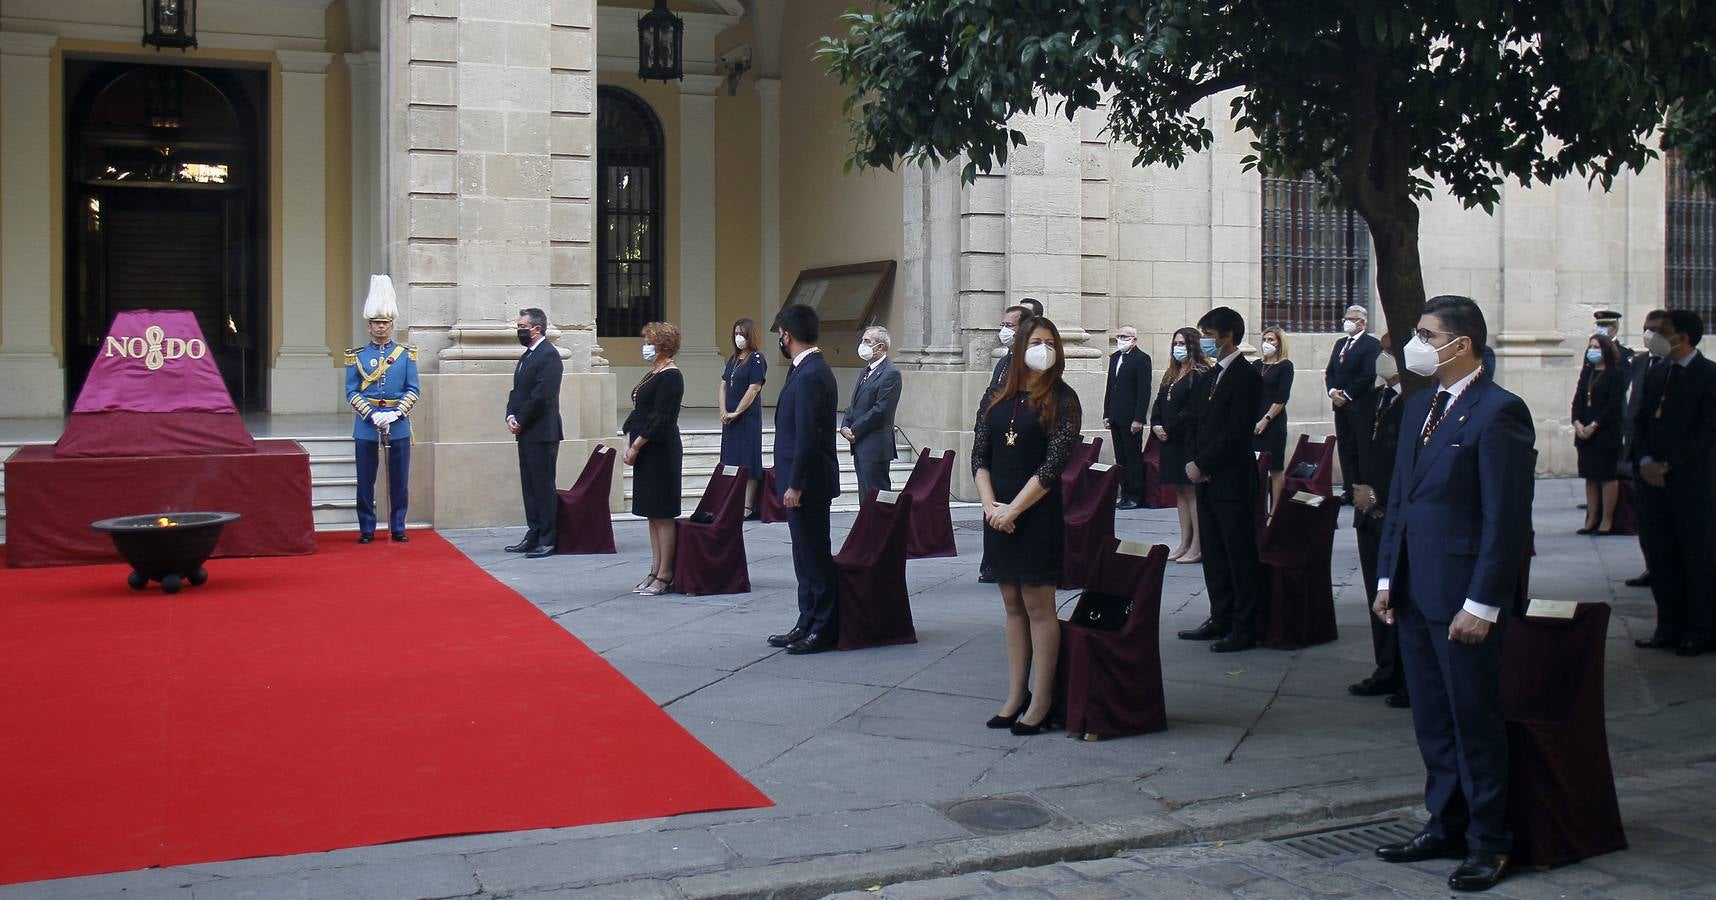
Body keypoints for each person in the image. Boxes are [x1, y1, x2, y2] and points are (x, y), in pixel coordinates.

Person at [1371, 295, 1535, 893]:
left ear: (1459, 344)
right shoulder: (1421, 407)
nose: (1415, 344)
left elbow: (1506, 519)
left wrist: (1483, 603)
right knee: (1433, 720)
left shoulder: (1500, 412)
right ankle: (1446, 821)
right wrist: (1388, 577)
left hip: (1464, 597)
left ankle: (1490, 840)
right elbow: (1403, 499)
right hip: (1415, 589)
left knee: (1475, 721)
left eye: (1424, 333)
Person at [974, 316, 1081, 736]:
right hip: (996, 513)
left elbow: (1053, 465)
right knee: (1012, 606)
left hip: (1034, 513)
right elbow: (979, 454)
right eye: (1036, 341)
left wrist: (1014, 510)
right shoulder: (998, 395)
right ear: (1019, 347)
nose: (1044, 348)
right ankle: (1015, 693)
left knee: (1039, 606)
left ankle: (1042, 698)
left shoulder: (1063, 398)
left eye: (1050, 342)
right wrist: (990, 506)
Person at [1631, 309, 1716, 658]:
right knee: (1661, 556)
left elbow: (1707, 432)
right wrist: (1647, 461)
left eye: (1662, 331)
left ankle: (1700, 629)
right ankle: (1668, 626)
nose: (1654, 337)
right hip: (1653, 483)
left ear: (1681, 337)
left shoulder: (1708, 375)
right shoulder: (1656, 373)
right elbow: (1640, 422)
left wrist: (1670, 464)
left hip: (1691, 483)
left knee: (1695, 558)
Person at [1178, 307, 1264, 652]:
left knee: (1237, 553)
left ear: (1227, 335)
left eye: (1209, 335)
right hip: (1208, 479)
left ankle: (1245, 626)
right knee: (1213, 551)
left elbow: (1235, 432)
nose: (1205, 342)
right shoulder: (1213, 375)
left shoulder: (1246, 376)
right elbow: (1198, 416)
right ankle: (1220, 615)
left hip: (1231, 479)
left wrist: (1204, 463)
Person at [765, 304, 842, 655]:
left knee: (814, 555)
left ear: (787, 335)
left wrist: (795, 484)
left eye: (780, 334)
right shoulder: (805, 369)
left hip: (808, 483)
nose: (780, 339)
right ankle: (806, 619)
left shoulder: (811, 373)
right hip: (802, 479)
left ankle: (822, 626)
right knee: (802, 555)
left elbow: (808, 436)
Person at [1348, 342, 1408, 709]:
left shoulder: (1415, 402)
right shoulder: (1372, 399)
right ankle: (1386, 668)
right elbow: (1353, 450)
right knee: (1377, 593)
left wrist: (1381, 497)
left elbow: (1408, 460)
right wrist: (1359, 493)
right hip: (1366, 510)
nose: (1383, 356)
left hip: (1392, 510)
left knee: (1401, 595)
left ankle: (1408, 674)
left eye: (1390, 349)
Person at [345, 275, 419, 545]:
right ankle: (366, 527)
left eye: (385, 323)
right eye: (376, 323)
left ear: (391, 325)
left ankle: (398, 525)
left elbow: (413, 390)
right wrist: (372, 413)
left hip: (397, 422)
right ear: (369, 326)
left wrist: (395, 413)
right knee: (365, 480)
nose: (381, 328)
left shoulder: (405, 354)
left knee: (399, 479)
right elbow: (351, 391)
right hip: (366, 423)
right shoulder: (357, 356)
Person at [623, 322, 685, 596]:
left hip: (661, 450)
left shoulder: (672, 376)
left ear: (662, 345)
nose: (644, 346)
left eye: (648, 340)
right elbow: (638, 410)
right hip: (645, 450)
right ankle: (654, 567)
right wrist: (627, 439)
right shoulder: (653, 373)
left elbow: (660, 417)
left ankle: (666, 573)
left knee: (663, 513)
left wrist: (636, 445)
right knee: (651, 513)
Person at [505, 307, 564, 558]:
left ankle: (548, 538)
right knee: (529, 486)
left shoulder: (549, 355)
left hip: (542, 432)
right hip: (526, 431)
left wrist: (521, 419)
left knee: (542, 486)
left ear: (536, 328)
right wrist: (510, 415)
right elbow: (517, 392)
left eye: (522, 326)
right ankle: (534, 532)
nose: (519, 330)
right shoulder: (527, 356)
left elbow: (543, 395)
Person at [1151, 327, 1208, 563]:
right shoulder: (1172, 373)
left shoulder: (1201, 373)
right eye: (1176, 343)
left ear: (1193, 345)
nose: (1178, 348)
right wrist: (1155, 425)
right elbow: (1158, 403)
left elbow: (1194, 409)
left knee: (1192, 490)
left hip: (1187, 440)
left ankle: (1198, 545)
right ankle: (1184, 542)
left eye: (1183, 343)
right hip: (1168, 441)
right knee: (1180, 491)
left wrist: (1171, 429)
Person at [1623, 310, 1670, 589]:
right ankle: (1650, 565)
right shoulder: (1639, 363)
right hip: (1638, 452)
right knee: (1646, 520)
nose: (1649, 334)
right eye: (1645, 328)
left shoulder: (1676, 367)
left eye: (1655, 329)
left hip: (1665, 460)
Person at [1326, 305, 1381, 504]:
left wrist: (1347, 395)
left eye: (1351, 319)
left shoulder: (1371, 344)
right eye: (1345, 318)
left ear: (1362, 322)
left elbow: (1368, 374)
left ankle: (1361, 488)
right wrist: (1333, 392)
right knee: (1346, 447)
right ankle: (1349, 489)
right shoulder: (1341, 343)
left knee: (1361, 447)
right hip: (1339, 406)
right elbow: (1331, 371)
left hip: (1359, 405)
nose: (1346, 322)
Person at [842, 325, 902, 500]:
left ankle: (880, 528)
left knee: (876, 496)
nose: (862, 344)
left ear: (880, 346)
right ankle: (867, 526)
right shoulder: (866, 370)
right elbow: (855, 403)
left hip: (875, 445)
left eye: (867, 341)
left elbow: (881, 409)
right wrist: (845, 424)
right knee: (865, 496)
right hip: (861, 444)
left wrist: (855, 429)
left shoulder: (891, 373)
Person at [1573, 333, 1625, 535]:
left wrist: (1594, 425)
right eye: (1590, 347)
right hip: (1584, 433)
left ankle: (1606, 520)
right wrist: (1577, 423)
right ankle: (1591, 518)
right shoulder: (1587, 372)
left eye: (1597, 347)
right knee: (1590, 476)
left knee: (1606, 475)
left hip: (1605, 433)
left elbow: (1613, 404)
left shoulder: (1615, 373)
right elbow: (1577, 400)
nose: (1593, 351)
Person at [720, 318, 767, 518]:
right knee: (730, 459)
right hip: (729, 418)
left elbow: (754, 388)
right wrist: (723, 410)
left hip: (747, 418)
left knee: (748, 459)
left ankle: (748, 505)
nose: (738, 337)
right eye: (736, 333)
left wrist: (737, 412)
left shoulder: (757, 358)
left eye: (742, 333)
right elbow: (723, 384)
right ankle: (731, 501)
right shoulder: (733, 359)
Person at [1104, 325, 1153, 509]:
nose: (1121, 339)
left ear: (1134, 339)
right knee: (1121, 459)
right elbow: (1110, 387)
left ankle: (1135, 495)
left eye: (1125, 336)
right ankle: (1124, 494)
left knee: (1133, 458)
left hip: (1131, 417)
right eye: (1119, 336)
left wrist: (1139, 418)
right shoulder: (1115, 357)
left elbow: (1144, 391)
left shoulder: (1141, 359)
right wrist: (1106, 413)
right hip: (1115, 415)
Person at [1253, 325, 1294, 515]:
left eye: (1271, 340)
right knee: (1255, 466)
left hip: (1273, 423)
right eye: (1265, 340)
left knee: (1275, 468)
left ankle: (1275, 512)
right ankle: (1257, 509)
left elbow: (1281, 398)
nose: (1267, 343)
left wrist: (1266, 419)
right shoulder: (1256, 365)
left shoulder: (1285, 366)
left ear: (1279, 343)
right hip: (1253, 423)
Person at [989, 305, 1034, 390]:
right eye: (1003, 325)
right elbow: (991, 392)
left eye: (1009, 325)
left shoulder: (1033, 362)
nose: (1004, 330)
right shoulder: (1004, 361)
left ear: (1025, 328)